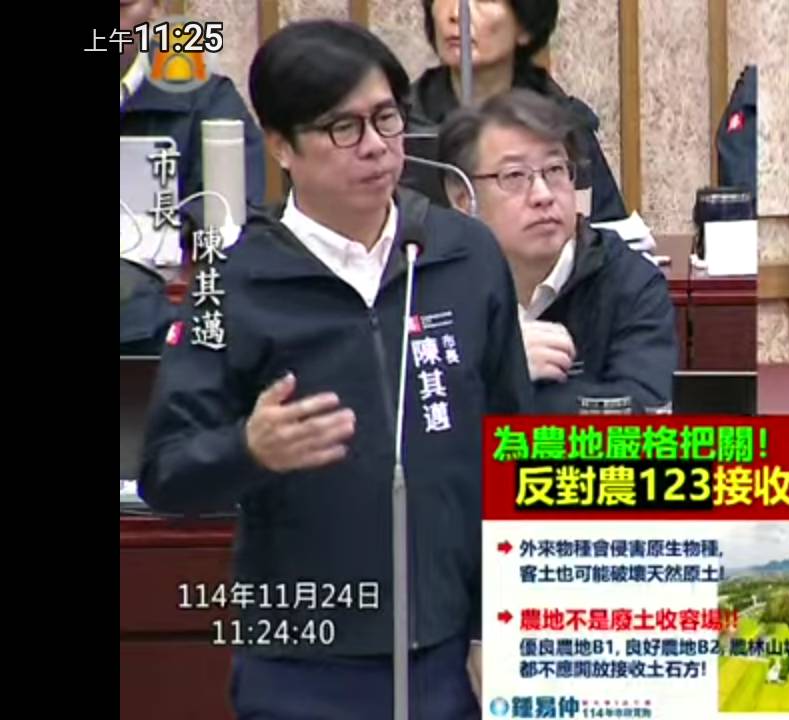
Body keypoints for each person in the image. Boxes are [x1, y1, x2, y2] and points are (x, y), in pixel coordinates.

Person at [136, 20, 532, 718]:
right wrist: (248, 450)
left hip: (449, 655)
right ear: (282, 147)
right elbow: (166, 473)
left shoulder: (462, 255)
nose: (376, 145)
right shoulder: (233, 284)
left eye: (386, 118)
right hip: (302, 665)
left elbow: (513, 449)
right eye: (343, 128)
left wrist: (495, 624)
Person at [438, 89, 675, 413]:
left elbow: (637, 416)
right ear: (464, 199)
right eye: (514, 175)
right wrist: (500, 368)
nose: (543, 195)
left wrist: (503, 384)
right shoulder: (431, 286)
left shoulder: (631, 281)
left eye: (555, 170)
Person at [120, 0, 267, 355]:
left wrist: (169, 231)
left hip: (158, 328)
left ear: (154, 7)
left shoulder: (205, 97)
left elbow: (236, 211)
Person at [412, 0, 628, 224]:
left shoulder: (565, 123)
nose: (457, 14)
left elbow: (608, 232)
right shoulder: (401, 126)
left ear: (525, 26)